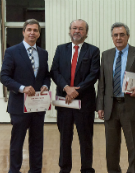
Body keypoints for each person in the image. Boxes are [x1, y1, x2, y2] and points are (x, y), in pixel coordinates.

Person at [97, 22, 135, 173]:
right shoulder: (106, 55)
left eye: (122, 34)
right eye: (115, 35)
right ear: (112, 37)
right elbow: (102, 83)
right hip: (111, 107)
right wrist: (100, 106)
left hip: (131, 106)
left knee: (133, 146)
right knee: (111, 147)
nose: (118, 38)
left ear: (128, 36)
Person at [0, 19, 51, 173]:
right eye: (29, 29)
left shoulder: (43, 53)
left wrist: (45, 85)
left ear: (39, 34)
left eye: (35, 30)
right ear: (23, 32)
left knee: (37, 143)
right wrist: (22, 88)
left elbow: (46, 76)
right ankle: (14, 170)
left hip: (37, 106)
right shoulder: (12, 52)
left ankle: (35, 170)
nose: (32, 33)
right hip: (19, 106)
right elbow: (4, 77)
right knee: (17, 142)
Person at [50, 19, 100, 173]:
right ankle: (64, 168)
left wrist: (76, 91)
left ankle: (86, 168)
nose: (77, 31)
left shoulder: (93, 50)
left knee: (85, 138)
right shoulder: (61, 49)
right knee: (65, 138)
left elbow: (94, 74)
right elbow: (54, 71)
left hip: (84, 101)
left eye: (81, 29)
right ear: (70, 30)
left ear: (86, 32)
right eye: (74, 28)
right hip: (64, 101)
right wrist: (66, 88)